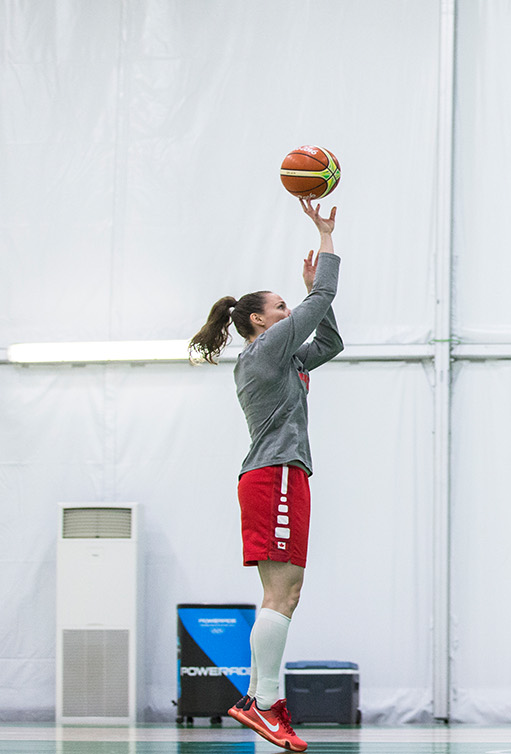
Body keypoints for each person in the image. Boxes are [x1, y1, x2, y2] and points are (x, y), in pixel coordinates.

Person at [187, 198, 342, 753]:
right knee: (283, 594)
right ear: (259, 320)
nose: (286, 311)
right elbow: (322, 298)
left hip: (281, 475)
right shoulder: (264, 351)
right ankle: (265, 704)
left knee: (286, 593)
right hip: (273, 475)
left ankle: (261, 700)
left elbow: (330, 341)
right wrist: (325, 239)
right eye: (280, 306)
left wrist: (311, 298)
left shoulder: (284, 357)